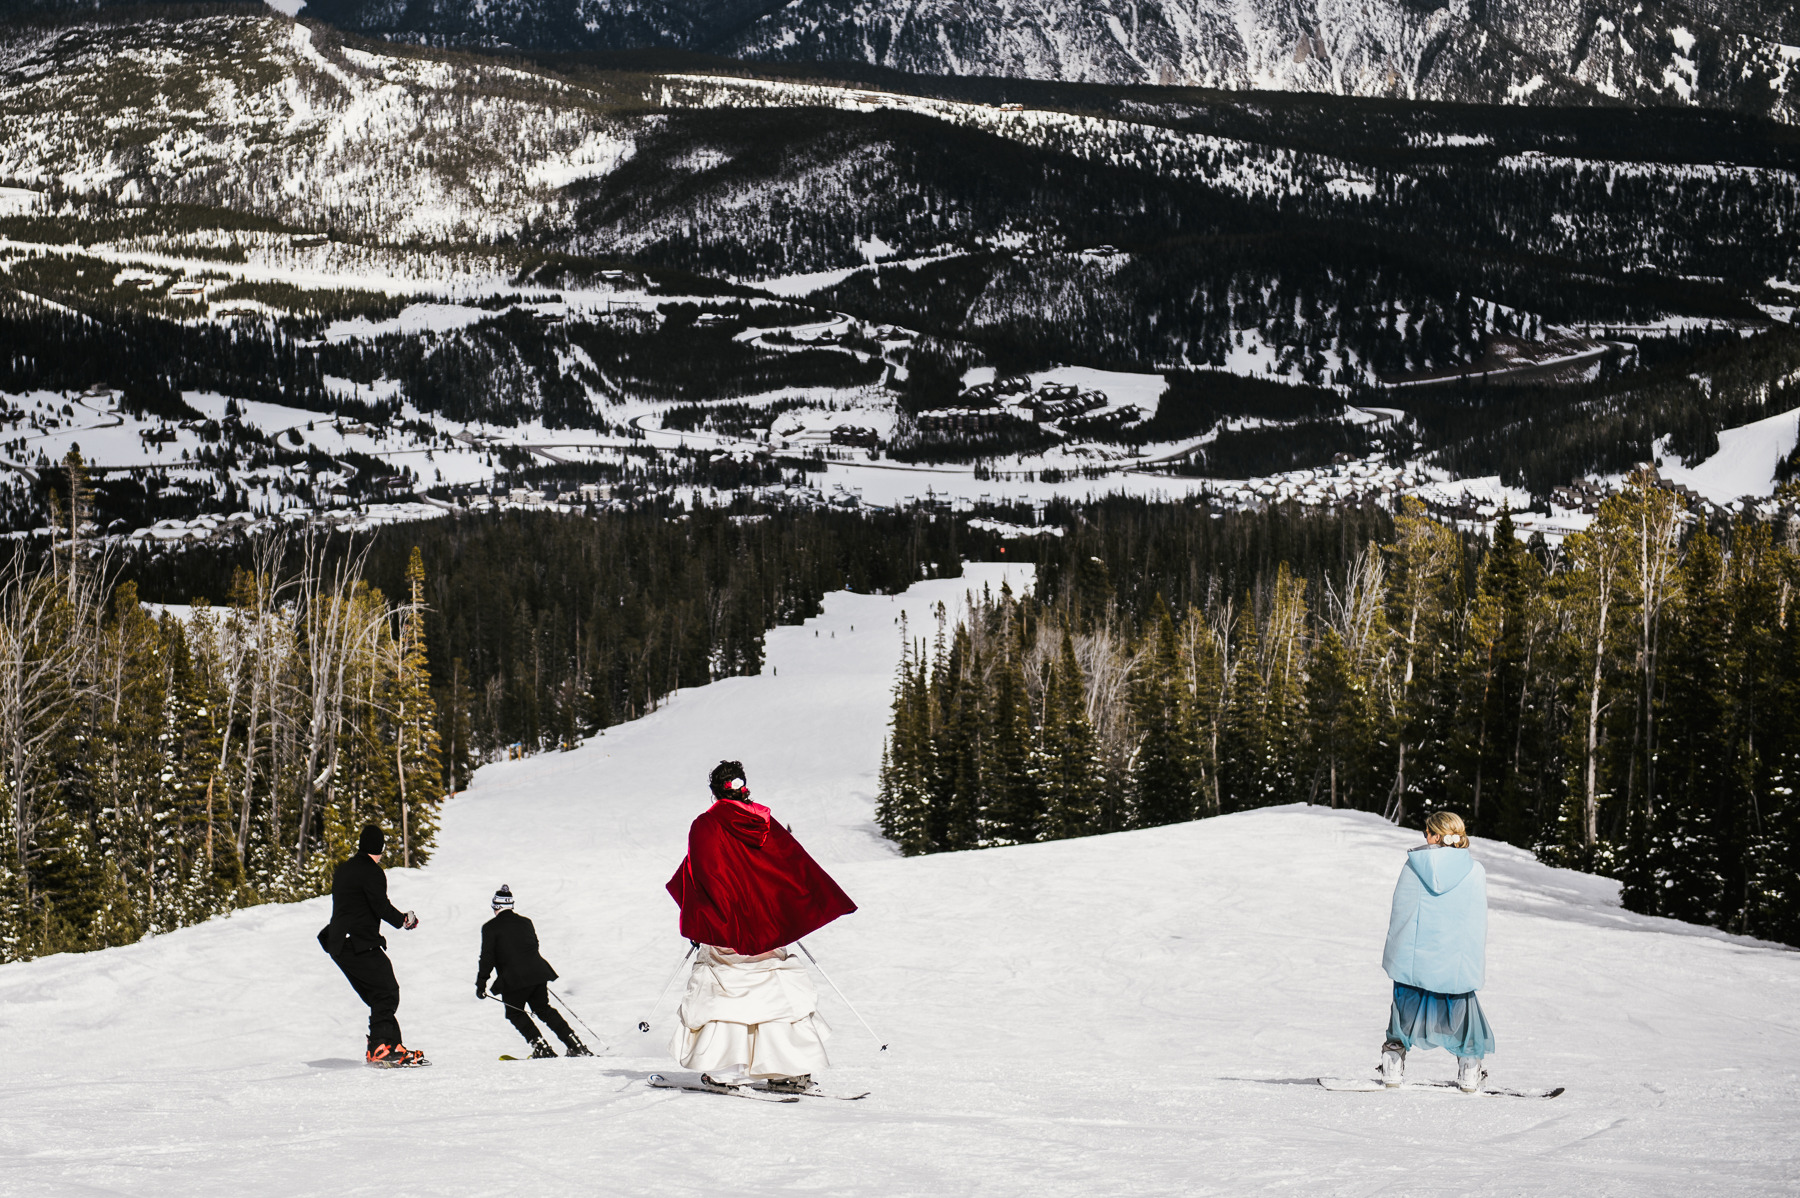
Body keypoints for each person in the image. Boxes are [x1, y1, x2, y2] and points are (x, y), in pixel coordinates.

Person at [664, 760, 857, 1093]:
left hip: (727, 927)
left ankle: (723, 1071)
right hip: (767, 927)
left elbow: (704, 875)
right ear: (744, 788)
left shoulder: (705, 825)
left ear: (714, 792)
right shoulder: (763, 821)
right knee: (775, 992)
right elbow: (790, 868)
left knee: (724, 990)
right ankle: (790, 1071)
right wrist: (786, 914)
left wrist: (702, 915)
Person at [1378, 810, 1493, 1092]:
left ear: (1436, 836)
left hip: (1415, 958)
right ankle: (1469, 1068)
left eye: (1426, 832)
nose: (1424, 837)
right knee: (1462, 1011)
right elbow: (1475, 919)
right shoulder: (1474, 870)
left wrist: (1399, 951)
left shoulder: (1414, 865)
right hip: (1455, 960)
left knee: (1404, 1008)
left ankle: (1393, 1061)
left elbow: (1402, 912)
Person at [318, 824, 425, 1067]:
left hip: (338, 944)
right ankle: (379, 1046)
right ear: (379, 849)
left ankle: (391, 1044)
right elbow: (380, 906)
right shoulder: (372, 872)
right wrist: (404, 920)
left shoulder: (344, 869)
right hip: (359, 942)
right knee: (386, 991)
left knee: (381, 993)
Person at [476, 884, 593, 1059]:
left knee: (515, 1013)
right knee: (544, 1010)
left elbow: (487, 958)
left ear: (496, 906)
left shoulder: (490, 927)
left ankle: (542, 1049)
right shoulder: (526, 922)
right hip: (538, 973)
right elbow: (534, 945)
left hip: (513, 978)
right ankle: (575, 1045)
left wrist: (481, 983)